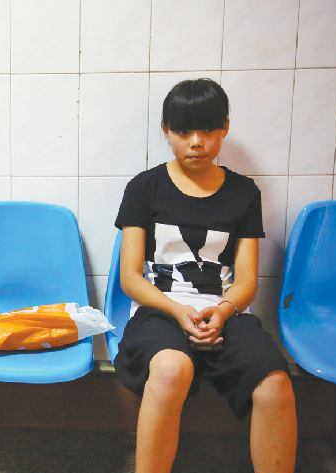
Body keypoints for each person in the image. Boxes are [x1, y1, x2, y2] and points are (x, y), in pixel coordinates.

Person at [113, 78, 297, 473]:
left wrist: (225, 311)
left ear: (225, 128)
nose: (196, 142)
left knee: (275, 383)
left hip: (225, 312)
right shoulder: (144, 188)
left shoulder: (244, 193)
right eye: (183, 131)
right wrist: (177, 311)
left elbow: (246, 280)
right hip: (159, 310)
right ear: (166, 131)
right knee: (171, 369)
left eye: (208, 130)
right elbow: (130, 277)